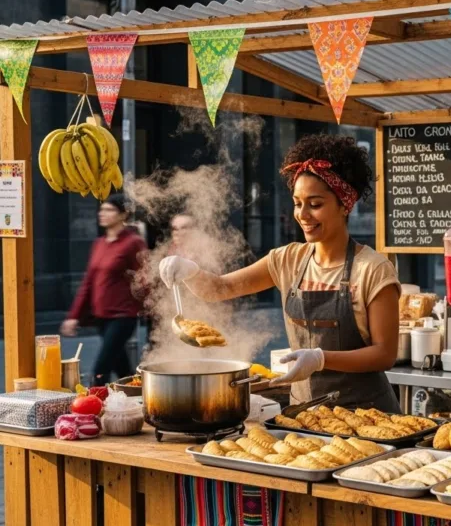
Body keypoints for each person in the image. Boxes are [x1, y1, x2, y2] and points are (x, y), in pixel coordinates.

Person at [159, 134, 401, 410]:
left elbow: (384, 354)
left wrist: (321, 358)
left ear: (345, 204)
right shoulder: (287, 259)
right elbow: (219, 290)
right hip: (305, 413)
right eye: (298, 203)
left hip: (367, 416)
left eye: (316, 204)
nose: (303, 214)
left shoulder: (373, 269)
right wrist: (189, 271)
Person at [61, 193, 148, 385]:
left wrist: (151, 310)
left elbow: (145, 277)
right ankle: (141, 396)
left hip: (123, 316)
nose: (102, 213)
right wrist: (74, 315)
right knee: (122, 369)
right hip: (101, 316)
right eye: (102, 209)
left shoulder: (133, 243)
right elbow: (89, 282)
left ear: (123, 215)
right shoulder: (99, 244)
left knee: (100, 371)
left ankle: (92, 407)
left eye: (109, 210)